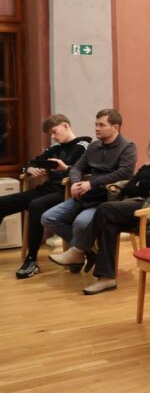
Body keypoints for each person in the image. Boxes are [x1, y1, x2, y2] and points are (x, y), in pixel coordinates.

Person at [71, 127, 150, 295]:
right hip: (139, 204)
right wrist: (148, 185)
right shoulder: (147, 166)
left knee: (104, 209)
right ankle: (106, 278)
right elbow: (131, 188)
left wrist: (144, 185)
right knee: (109, 225)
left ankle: (80, 249)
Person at [44, 109, 137, 272]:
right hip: (85, 195)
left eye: (102, 125)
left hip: (106, 199)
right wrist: (75, 182)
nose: (97, 128)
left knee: (81, 222)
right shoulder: (93, 147)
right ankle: (87, 249)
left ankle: (79, 250)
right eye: (96, 124)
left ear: (115, 127)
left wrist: (92, 184)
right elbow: (77, 168)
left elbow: (124, 173)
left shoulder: (127, 147)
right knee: (49, 218)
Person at [4, 114, 91, 279]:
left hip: (64, 192)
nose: (53, 137)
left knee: (36, 205)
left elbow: (86, 171)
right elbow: (32, 162)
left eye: (54, 132)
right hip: (46, 189)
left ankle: (31, 260)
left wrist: (66, 168)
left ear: (65, 126)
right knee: (3, 203)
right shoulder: (54, 149)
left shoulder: (83, 144)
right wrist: (29, 169)